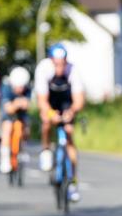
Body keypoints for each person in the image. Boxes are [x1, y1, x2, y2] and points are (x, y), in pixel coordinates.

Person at [34, 43, 85, 203]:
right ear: (51, 61)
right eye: (57, 63)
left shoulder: (73, 70)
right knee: (46, 121)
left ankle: (72, 182)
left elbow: (79, 99)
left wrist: (72, 111)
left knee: (69, 132)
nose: (60, 67)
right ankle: (46, 150)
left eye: (62, 63)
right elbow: (42, 100)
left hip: (66, 100)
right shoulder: (43, 69)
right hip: (50, 100)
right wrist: (50, 113)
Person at [0, 66, 32, 174]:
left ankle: (22, 148)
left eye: (22, 87)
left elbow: (28, 104)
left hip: (21, 114)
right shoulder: (6, 88)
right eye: (18, 87)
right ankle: (5, 157)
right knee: (7, 127)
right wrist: (17, 103)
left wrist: (19, 104)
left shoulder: (27, 89)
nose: (20, 90)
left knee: (26, 127)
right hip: (9, 114)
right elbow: (8, 108)